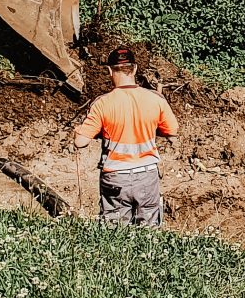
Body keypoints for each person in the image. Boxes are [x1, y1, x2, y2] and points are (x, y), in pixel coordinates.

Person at [73, 47, 180, 225]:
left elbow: (80, 142)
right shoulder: (155, 99)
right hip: (147, 176)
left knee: (115, 233)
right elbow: (172, 132)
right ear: (135, 69)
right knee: (149, 235)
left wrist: (81, 131)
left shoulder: (102, 103)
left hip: (115, 177)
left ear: (109, 70)